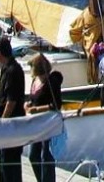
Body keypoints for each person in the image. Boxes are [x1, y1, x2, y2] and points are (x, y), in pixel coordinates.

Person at [0, 36, 25, 182]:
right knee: (5, 163)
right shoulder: (8, 68)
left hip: (10, 125)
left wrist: (3, 123)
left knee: (9, 164)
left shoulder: (12, 71)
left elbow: (11, 101)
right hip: (10, 124)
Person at [26, 54, 62, 182]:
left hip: (48, 123)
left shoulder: (51, 82)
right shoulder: (35, 81)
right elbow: (33, 98)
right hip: (36, 124)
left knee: (46, 156)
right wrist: (29, 103)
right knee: (33, 155)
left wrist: (38, 109)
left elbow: (57, 104)